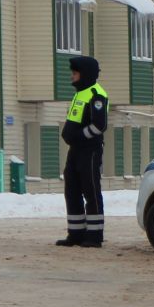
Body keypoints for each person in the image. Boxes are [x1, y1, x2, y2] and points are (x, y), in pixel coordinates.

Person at [57, 54, 109, 248]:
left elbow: (99, 125)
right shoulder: (80, 93)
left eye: (75, 72)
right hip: (75, 150)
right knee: (71, 189)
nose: (72, 75)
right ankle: (76, 233)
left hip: (90, 150)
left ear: (84, 73)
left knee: (91, 190)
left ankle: (95, 235)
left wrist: (79, 136)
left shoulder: (96, 94)